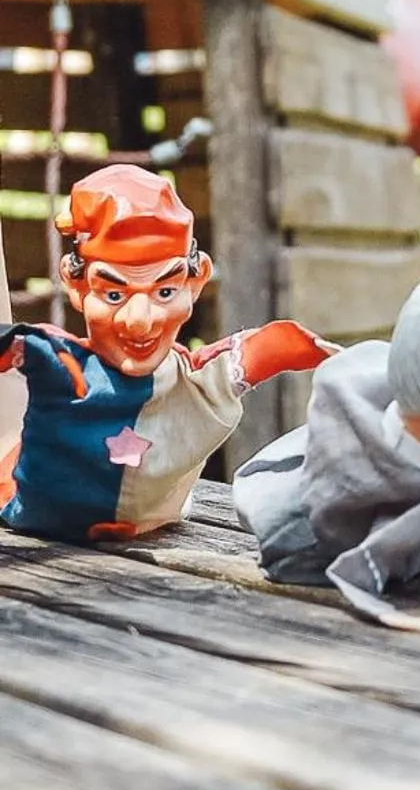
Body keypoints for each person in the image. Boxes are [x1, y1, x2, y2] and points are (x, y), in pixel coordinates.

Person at [0, 162, 332, 542]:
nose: (140, 321)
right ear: (76, 286)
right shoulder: (56, 363)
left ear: (195, 282)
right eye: (114, 294)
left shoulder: (193, 382)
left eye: (164, 292)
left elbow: (262, 355)